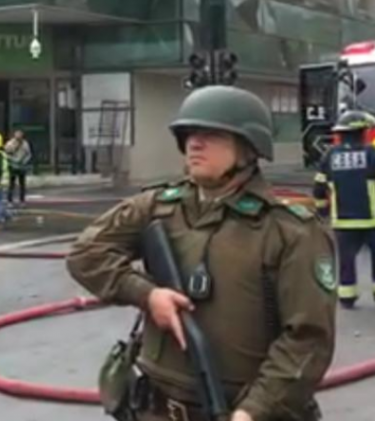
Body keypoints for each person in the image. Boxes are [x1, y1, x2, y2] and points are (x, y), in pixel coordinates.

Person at [67, 86, 336, 421]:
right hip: (153, 407)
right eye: (189, 134)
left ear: (247, 147)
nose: (194, 143)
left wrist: (253, 411)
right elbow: (85, 253)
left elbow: (308, 340)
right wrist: (147, 295)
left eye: (211, 134)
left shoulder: (290, 230)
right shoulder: (158, 207)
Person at [313, 110, 375, 309]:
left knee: (346, 260)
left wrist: (322, 213)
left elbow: (319, 188)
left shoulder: (330, 156)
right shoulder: (372, 154)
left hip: (342, 222)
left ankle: (347, 296)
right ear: (362, 132)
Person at [4, 129, 32, 205]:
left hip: (22, 166)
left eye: (20, 135)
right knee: (11, 184)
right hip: (13, 166)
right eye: (17, 135)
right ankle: (9, 200)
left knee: (22, 184)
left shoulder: (25, 144)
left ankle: (22, 200)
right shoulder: (10, 143)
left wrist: (25, 161)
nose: (19, 137)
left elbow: (29, 154)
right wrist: (12, 160)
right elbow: (6, 154)